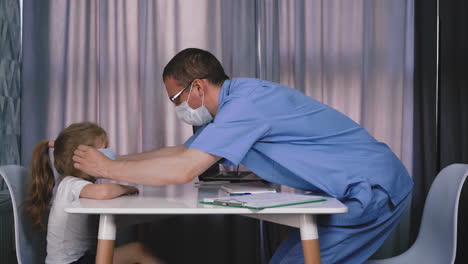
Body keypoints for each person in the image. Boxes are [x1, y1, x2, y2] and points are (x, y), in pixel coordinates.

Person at [71, 48, 414, 263]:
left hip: (373, 189)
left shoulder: (244, 107)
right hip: (361, 184)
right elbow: (180, 152)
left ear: (198, 87)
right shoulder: (237, 103)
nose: (176, 109)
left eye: (176, 100)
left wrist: (107, 167)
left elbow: (182, 170)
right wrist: (117, 159)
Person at [26, 122, 161, 264]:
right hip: (69, 263)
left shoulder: (80, 185)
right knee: (137, 251)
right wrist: (128, 188)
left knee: (135, 248)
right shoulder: (69, 184)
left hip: (81, 259)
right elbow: (104, 192)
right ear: (80, 159)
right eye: (104, 151)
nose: (109, 155)